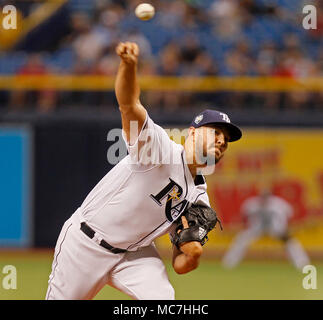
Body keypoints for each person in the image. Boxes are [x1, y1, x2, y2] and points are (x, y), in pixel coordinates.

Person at [45, 42, 242, 300]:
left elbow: (180, 266)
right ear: (192, 134)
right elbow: (129, 106)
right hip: (86, 243)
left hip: (134, 254)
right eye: (215, 133)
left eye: (226, 141)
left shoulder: (199, 195)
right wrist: (128, 66)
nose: (221, 142)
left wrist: (192, 254)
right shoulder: (159, 149)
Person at [222, 190, 310, 270]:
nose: (265, 199)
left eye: (267, 197)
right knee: (241, 239)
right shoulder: (252, 204)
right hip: (257, 229)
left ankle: (302, 263)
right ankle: (229, 263)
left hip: (276, 229)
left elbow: (290, 215)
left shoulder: (279, 204)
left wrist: (286, 228)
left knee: (291, 242)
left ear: (271, 196)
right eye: (263, 196)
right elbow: (244, 216)